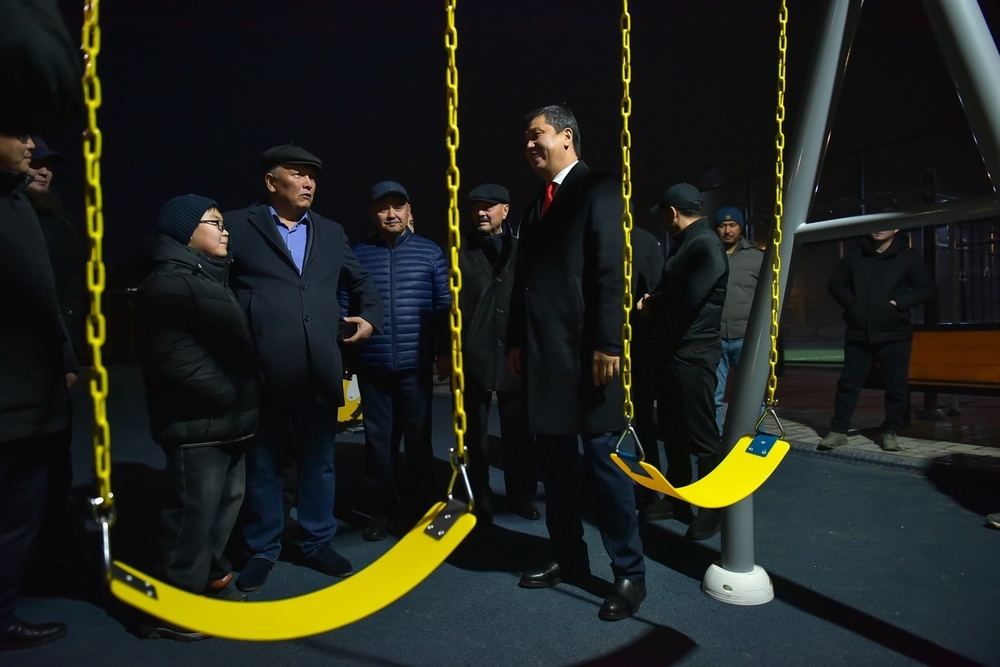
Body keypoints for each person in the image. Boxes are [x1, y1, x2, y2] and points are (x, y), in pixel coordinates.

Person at [226, 145, 383, 592]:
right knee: (264, 464)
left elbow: (362, 281)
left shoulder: (330, 231)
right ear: (271, 182)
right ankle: (263, 548)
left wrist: (371, 318)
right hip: (261, 369)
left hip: (318, 367)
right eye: (297, 174)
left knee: (319, 462)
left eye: (312, 175)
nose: (309, 182)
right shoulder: (237, 225)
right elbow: (216, 286)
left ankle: (317, 542)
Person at [510, 105, 646, 622]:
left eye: (537, 134)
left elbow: (612, 268)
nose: (529, 145)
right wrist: (515, 341)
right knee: (557, 471)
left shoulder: (599, 188)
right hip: (544, 360)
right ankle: (568, 556)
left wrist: (609, 342)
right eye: (526, 138)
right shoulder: (534, 208)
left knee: (607, 470)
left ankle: (629, 573)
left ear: (566, 137)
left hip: (591, 359)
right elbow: (522, 282)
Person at [135, 195, 260, 640]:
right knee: (191, 516)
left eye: (224, 224)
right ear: (186, 231)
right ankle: (171, 607)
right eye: (214, 223)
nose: (225, 231)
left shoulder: (208, 278)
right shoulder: (168, 282)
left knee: (223, 508)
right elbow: (174, 355)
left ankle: (206, 579)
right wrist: (229, 392)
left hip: (227, 421)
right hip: (197, 424)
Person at [346, 181, 451, 541]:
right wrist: (347, 353)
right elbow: (345, 303)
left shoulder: (429, 252)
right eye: (382, 208)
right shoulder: (358, 253)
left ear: (409, 211)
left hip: (415, 364)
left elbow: (443, 306)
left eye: (398, 207)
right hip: (373, 365)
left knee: (419, 440)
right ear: (372, 213)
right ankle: (382, 509)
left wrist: (444, 352)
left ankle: (421, 507)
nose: (391, 214)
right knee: (379, 443)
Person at [0, 132, 71, 650]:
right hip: (13, 386)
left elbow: (50, 296)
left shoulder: (23, 207)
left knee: (26, 503)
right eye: (19, 134)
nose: (29, 147)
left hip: (33, 386)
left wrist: (64, 358)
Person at [637, 183, 728, 541]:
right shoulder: (688, 243)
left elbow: (687, 296)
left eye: (664, 214)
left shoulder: (704, 245)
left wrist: (651, 305)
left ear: (673, 212)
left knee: (701, 433)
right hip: (675, 352)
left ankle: (713, 508)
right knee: (672, 428)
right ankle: (678, 499)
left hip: (694, 352)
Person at [458, 183, 538, 524]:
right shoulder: (458, 252)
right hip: (473, 354)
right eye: (476, 206)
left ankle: (522, 495)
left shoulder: (523, 251)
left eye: (489, 206)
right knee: (474, 434)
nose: (481, 212)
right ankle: (479, 496)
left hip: (514, 353)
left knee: (519, 432)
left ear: (505, 211)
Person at [818, 229, 936, 452]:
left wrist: (898, 303)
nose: (880, 228)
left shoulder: (908, 256)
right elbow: (835, 284)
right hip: (858, 333)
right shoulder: (855, 255)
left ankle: (890, 432)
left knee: (896, 386)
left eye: (886, 223)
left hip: (895, 333)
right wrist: (853, 305)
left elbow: (926, 288)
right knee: (848, 384)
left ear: (896, 228)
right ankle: (838, 431)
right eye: (876, 223)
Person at [25, 137, 85, 563]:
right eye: (35, 162)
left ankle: (54, 535)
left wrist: (69, 358)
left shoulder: (60, 220)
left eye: (48, 164)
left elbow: (70, 295)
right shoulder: (13, 217)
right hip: (19, 356)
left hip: (53, 354)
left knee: (56, 449)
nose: (43, 171)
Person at [713, 206, 765, 434]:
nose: (727, 230)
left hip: (746, 338)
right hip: (714, 339)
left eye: (732, 225)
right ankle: (715, 442)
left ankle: (754, 437)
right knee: (713, 396)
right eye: (722, 226)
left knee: (752, 395)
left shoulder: (756, 258)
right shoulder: (709, 255)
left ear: (740, 227)